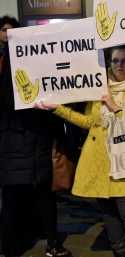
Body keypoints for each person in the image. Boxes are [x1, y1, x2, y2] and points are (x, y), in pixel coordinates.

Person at [35, 44, 125, 257]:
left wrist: (115, 106)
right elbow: (90, 121)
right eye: (115, 60)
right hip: (97, 159)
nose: (119, 65)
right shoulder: (98, 86)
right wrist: (58, 109)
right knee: (108, 213)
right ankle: (121, 252)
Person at [0, 16, 73, 257]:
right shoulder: (5, 83)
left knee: (43, 195)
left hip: (38, 141)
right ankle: (11, 244)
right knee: (14, 198)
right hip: (15, 143)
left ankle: (47, 241)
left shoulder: (42, 72)